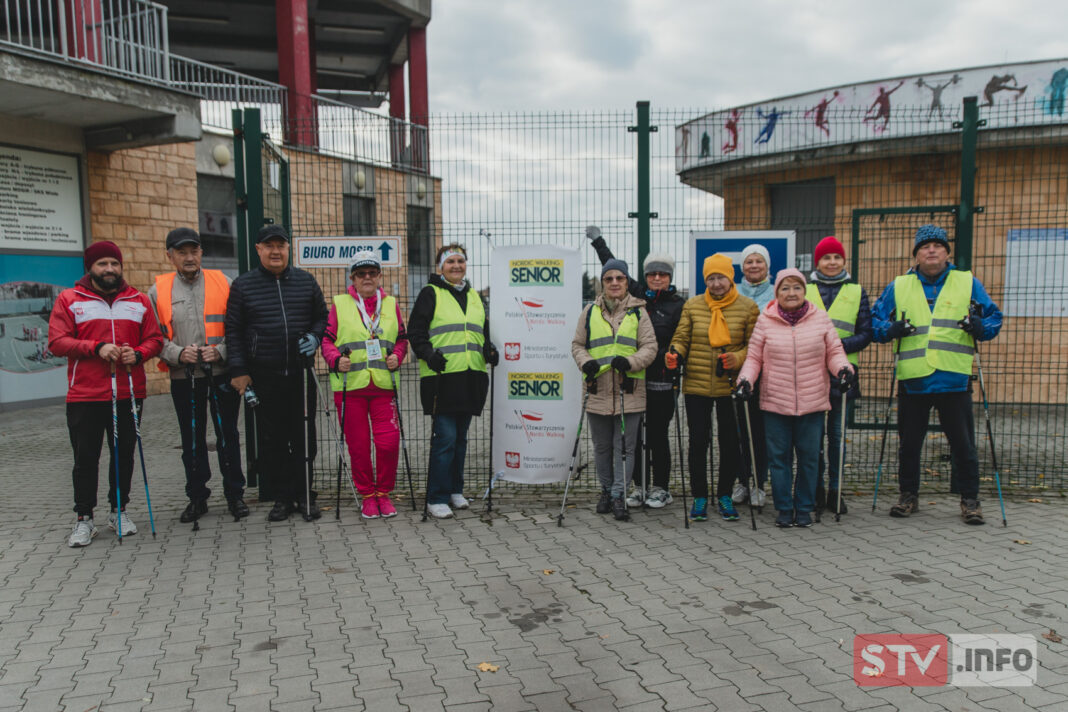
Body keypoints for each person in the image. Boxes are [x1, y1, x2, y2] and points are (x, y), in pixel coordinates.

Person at [871, 224, 1002, 525]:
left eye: (937, 246)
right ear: (916, 255)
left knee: (963, 445)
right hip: (914, 380)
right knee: (909, 445)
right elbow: (875, 322)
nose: (931, 250)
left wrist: (979, 327)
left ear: (946, 253)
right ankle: (908, 496)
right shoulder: (899, 286)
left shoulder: (967, 282)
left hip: (953, 379)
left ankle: (970, 501)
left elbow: (994, 317)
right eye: (925, 246)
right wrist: (890, 330)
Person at [48, 241, 163, 547]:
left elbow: (155, 339)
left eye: (114, 263)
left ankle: (119, 511)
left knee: (123, 456)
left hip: (127, 392)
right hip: (85, 395)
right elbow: (57, 342)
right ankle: (84, 519)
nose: (109, 269)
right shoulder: (70, 299)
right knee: (85, 459)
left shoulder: (138, 300)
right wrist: (96, 347)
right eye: (102, 264)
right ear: (91, 267)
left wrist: (137, 354)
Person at [225, 225, 328, 522]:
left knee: (305, 437)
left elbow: (322, 317)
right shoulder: (243, 286)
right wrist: (239, 370)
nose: (275, 251)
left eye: (280, 246)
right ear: (258, 250)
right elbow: (233, 331)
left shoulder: (306, 282)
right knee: (273, 440)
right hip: (265, 375)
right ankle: (282, 497)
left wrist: (316, 337)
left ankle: (305, 495)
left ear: (288, 248)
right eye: (268, 246)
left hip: (301, 375)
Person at [735, 268, 854, 528]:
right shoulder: (766, 320)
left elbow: (834, 351)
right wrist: (745, 380)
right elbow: (754, 357)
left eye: (797, 287)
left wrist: (843, 369)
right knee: (779, 459)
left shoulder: (820, 318)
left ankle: (804, 507)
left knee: (810, 458)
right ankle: (784, 508)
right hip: (775, 402)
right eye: (785, 288)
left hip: (812, 402)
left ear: (805, 290)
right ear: (776, 292)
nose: (791, 293)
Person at [149, 228, 247, 523]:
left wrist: (222, 351)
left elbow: (238, 329)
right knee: (191, 439)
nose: (189, 257)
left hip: (220, 373)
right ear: (170, 256)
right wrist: (177, 353)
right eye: (182, 252)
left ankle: (235, 495)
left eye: (194, 251)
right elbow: (153, 337)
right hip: (185, 376)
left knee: (227, 435)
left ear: (201, 253)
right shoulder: (158, 291)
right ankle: (197, 497)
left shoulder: (224, 283)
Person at [586, 228, 685, 508]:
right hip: (633, 380)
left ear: (670, 277)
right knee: (635, 436)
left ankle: (660, 487)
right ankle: (639, 486)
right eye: (652, 274)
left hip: (662, 381)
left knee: (657, 435)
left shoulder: (679, 306)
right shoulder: (639, 296)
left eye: (662, 275)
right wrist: (598, 242)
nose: (656, 279)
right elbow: (614, 268)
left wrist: (673, 355)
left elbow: (682, 338)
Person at [665, 254, 759, 522]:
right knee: (698, 441)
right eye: (711, 278)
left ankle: (725, 494)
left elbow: (753, 346)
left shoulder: (748, 307)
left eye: (721, 278)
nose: (716, 284)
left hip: (729, 385)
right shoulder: (693, 306)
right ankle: (699, 496)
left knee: (729, 442)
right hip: (696, 385)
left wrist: (737, 359)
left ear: (730, 278)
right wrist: (675, 354)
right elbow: (682, 337)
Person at [407, 243, 498, 519]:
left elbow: (480, 332)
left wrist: (488, 350)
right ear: (441, 267)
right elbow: (416, 331)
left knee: (460, 439)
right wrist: (427, 354)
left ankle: (454, 490)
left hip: (471, 378)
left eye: (460, 261)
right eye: (450, 262)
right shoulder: (430, 293)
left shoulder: (473, 296)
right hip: (442, 378)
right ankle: (436, 496)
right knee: (445, 438)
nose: (456, 266)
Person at [322, 254, 408, 519]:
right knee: (358, 446)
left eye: (372, 272)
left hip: (383, 387)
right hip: (351, 388)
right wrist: (336, 360)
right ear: (353, 279)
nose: (367, 277)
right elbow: (326, 341)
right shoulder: (340, 304)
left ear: (380, 277)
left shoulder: (391, 304)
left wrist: (399, 356)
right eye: (361, 274)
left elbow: (402, 339)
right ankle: (368, 496)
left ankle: (384, 493)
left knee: (389, 444)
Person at [571, 259, 657, 520]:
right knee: (601, 447)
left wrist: (630, 362)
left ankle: (620, 494)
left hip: (627, 389)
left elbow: (650, 347)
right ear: (602, 283)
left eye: (620, 278)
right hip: (597, 389)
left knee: (625, 448)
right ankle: (606, 490)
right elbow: (577, 345)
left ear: (627, 281)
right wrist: (586, 363)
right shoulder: (589, 312)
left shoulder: (639, 312)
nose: (615, 283)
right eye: (609, 279)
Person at [806, 236, 873, 516]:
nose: (831, 263)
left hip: (843, 375)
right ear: (817, 262)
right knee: (813, 438)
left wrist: (837, 347)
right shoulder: (805, 290)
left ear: (844, 261)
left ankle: (836, 490)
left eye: (836, 257)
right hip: (810, 374)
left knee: (836, 436)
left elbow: (866, 332)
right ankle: (815, 490)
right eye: (826, 258)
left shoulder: (857, 291)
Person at [732, 243, 774, 507]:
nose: (754, 265)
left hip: (770, 374)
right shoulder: (733, 294)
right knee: (739, 432)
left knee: (761, 432)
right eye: (749, 262)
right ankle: (741, 481)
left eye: (759, 261)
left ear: (767, 266)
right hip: (739, 373)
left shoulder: (776, 293)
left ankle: (760, 483)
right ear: (742, 267)